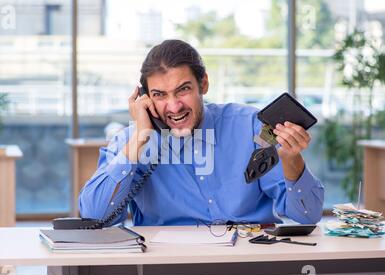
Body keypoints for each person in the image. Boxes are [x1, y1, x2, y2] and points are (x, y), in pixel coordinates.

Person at [78, 39, 324, 226]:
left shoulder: (251, 126)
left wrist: (291, 160)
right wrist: (140, 138)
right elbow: (94, 218)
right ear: (146, 99)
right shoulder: (132, 141)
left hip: (251, 265)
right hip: (167, 273)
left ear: (203, 84)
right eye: (159, 95)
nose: (174, 107)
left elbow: (307, 215)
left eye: (182, 90)